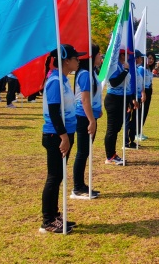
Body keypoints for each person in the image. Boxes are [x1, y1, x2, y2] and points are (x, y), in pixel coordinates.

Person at [40, 44, 83, 234]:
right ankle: (48, 220)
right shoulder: (55, 81)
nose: (78, 61)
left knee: (58, 176)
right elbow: (54, 113)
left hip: (65, 133)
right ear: (66, 61)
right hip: (55, 135)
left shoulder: (63, 79)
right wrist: (63, 137)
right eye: (76, 58)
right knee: (54, 176)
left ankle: (55, 215)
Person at [72, 44, 102, 200]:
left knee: (85, 152)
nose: (101, 57)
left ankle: (82, 185)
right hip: (83, 117)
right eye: (98, 54)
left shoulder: (92, 72)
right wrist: (91, 120)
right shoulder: (84, 74)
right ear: (91, 57)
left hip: (90, 115)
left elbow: (93, 96)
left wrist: (98, 110)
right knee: (82, 152)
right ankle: (77, 187)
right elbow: (84, 100)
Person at [103, 50, 131, 165]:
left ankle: (112, 154)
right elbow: (114, 82)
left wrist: (128, 101)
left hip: (121, 100)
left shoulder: (122, 65)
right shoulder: (114, 66)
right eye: (127, 54)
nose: (128, 56)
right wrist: (126, 71)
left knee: (117, 128)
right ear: (122, 55)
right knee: (112, 129)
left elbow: (127, 85)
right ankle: (110, 156)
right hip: (113, 100)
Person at [125, 51, 147, 148]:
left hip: (137, 97)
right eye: (140, 57)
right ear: (136, 58)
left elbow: (140, 83)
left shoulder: (136, 69)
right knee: (128, 119)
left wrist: (143, 93)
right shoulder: (130, 70)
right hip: (131, 98)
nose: (141, 59)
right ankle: (126, 142)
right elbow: (129, 85)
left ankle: (132, 140)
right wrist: (132, 100)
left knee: (135, 120)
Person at [137, 51, 157, 141]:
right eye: (149, 58)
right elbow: (140, 82)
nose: (151, 60)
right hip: (143, 91)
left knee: (145, 112)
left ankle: (139, 131)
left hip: (149, 91)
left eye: (152, 59)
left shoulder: (149, 69)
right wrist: (143, 93)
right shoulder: (141, 69)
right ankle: (136, 132)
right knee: (141, 112)